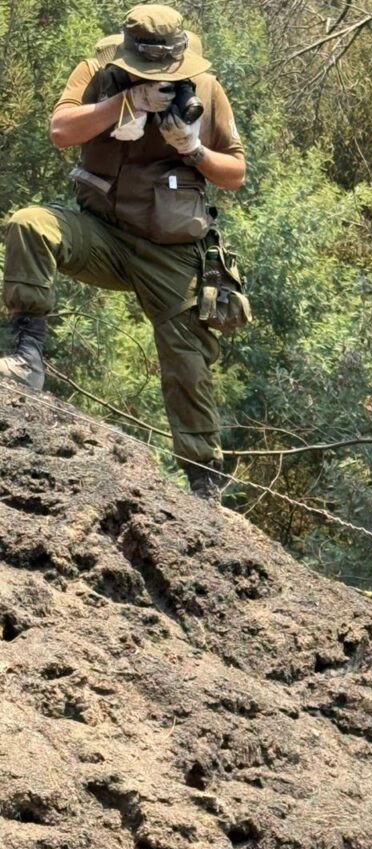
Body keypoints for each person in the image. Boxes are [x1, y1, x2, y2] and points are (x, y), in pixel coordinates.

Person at [0, 4, 247, 501]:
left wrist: (193, 149)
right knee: (30, 225)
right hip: (102, 234)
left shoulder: (205, 89)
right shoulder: (96, 75)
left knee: (187, 360)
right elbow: (61, 131)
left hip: (172, 252)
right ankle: (25, 357)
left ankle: (204, 482)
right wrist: (126, 102)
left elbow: (236, 174)